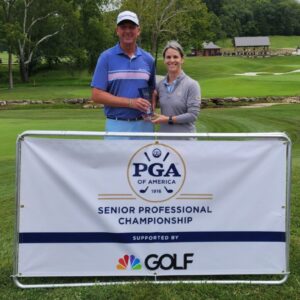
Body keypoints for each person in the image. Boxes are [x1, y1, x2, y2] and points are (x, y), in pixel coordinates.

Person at [91, 11, 155, 139]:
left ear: (138, 31)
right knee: (115, 160)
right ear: (117, 31)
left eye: (131, 27)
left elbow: (152, 91)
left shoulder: (148, 59)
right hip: (116, 124)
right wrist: (131, 102)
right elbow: (96, 95)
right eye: (123, 27)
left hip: (144, 125)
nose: (127, 31)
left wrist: (151, 108)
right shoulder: (106, 57)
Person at [152, 41, 200, 136]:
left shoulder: (192, 85)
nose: (172, 60)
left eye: (175, 57)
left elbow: (193, 115)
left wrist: (168, 119)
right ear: (164, 60)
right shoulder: (160, 85)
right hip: (165, 142)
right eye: (168, 57)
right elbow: (151, 106)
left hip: (185, 141)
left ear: (182, 59)